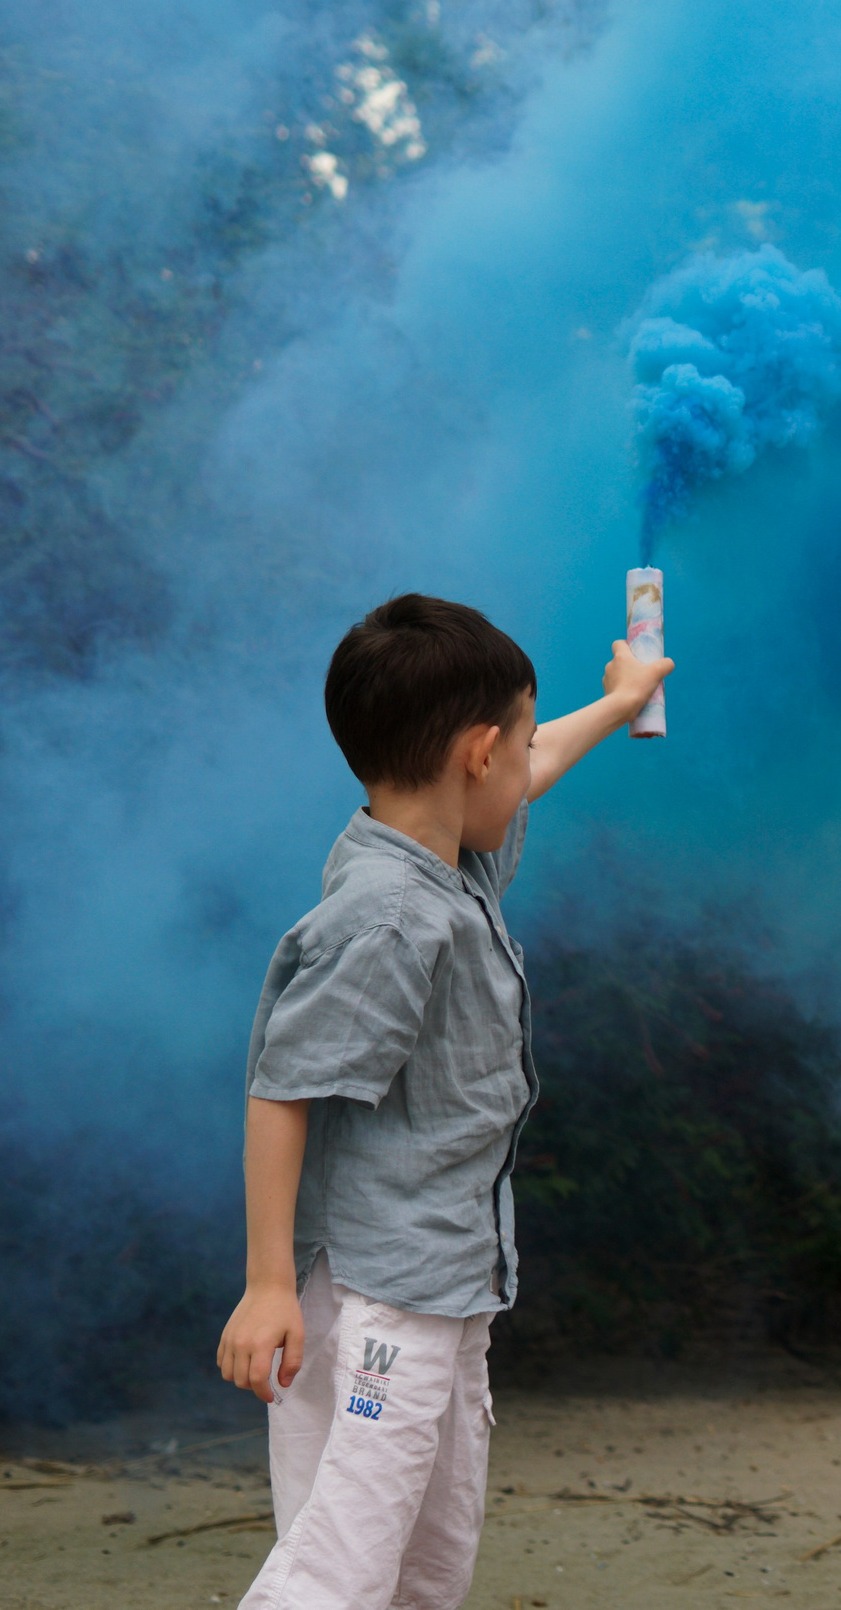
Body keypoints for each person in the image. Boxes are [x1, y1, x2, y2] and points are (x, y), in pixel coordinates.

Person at [214, 593, 674, 1610]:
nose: (526, 764)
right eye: (515, 740)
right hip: (384, 1296)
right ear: (474, 754)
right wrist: (267, 1285)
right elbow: (282, 1089)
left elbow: (530, 770)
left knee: (425, 1564)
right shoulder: (388, 920)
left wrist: (621, 701)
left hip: (444, 1285)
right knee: (339, 1570)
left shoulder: (446, 862)